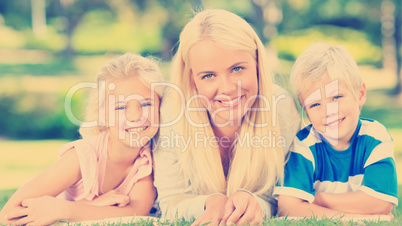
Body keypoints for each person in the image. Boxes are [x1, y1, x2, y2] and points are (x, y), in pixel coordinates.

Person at [153, 9, 300, 225]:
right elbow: (170, 201)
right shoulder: (172, 112)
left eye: (237, 69)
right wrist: (209, 203)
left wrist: (255, 204)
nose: (227, 88)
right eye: (208, 75)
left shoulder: (281, 109)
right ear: (192, 78)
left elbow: (283, 198)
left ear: (258, 65)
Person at [0, 53, 164, 225]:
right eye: (121, 107)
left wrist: (66, 210)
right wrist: (88, 208)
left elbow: (136, 211)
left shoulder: (149, 158)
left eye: (146, 104)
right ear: (103, 115)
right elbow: (9, 213)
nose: (135, 116)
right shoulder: (83, 157)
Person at [274, 43, 398, 219]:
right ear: (306, 112)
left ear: (360, 94)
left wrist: (314, 199)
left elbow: (380, 202)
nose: (328, 111)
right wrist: (356, 218)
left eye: (337, 97)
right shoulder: (303, 146)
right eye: (315, 104)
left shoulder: (375, 137)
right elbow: (288, 208)